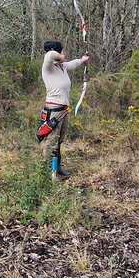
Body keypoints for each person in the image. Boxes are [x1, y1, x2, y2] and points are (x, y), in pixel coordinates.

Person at [37, 39, 90, 180]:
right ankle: (48, 173)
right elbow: (50, 55)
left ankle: (57, 169)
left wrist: (82, 60)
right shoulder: (48, 65)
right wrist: (59, 55)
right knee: (51, 141)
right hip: (53, 111)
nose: (63, 54)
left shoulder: (62, 67)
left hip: (63, 110)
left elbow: (72, 63)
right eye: (61, 51)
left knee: (59, 140)